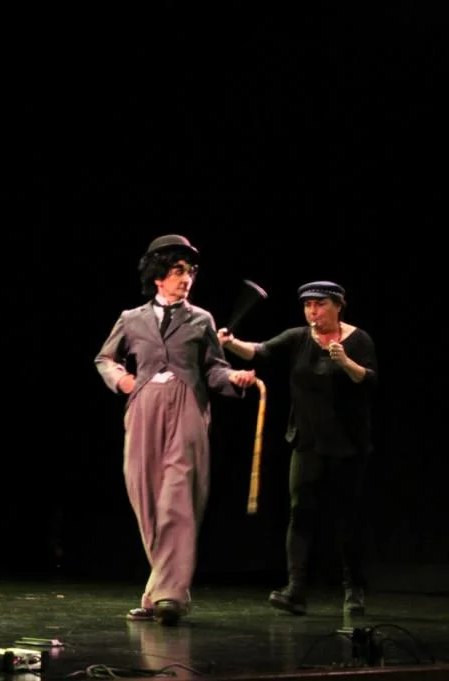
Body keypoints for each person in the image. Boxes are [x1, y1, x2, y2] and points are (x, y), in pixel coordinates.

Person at [95, 235, 257, 626]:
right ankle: (159, 592)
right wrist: (122, 380)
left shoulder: (201, 319)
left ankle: (169, 595)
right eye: (178, 271)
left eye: (190, 272)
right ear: (158, 275)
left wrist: (233, 377)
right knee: (147, 498)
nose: (186, 279)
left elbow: (214, 369)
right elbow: (104, 358)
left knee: (178, 499)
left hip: (187, 406)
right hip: (144, 407)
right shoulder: (131, 318)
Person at [218, 281, 377, 616]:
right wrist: (231, 343)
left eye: (320, 305)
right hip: (307, 442)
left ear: (338, 306)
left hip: (347, 445)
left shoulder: (358, 339)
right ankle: (296, 590)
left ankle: (354, 590)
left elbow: (369, 379)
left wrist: (345, 362)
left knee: (347, 518)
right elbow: (259, 351)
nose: (312, 312)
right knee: (300, 513)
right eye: (308, 306)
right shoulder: (298, 337)